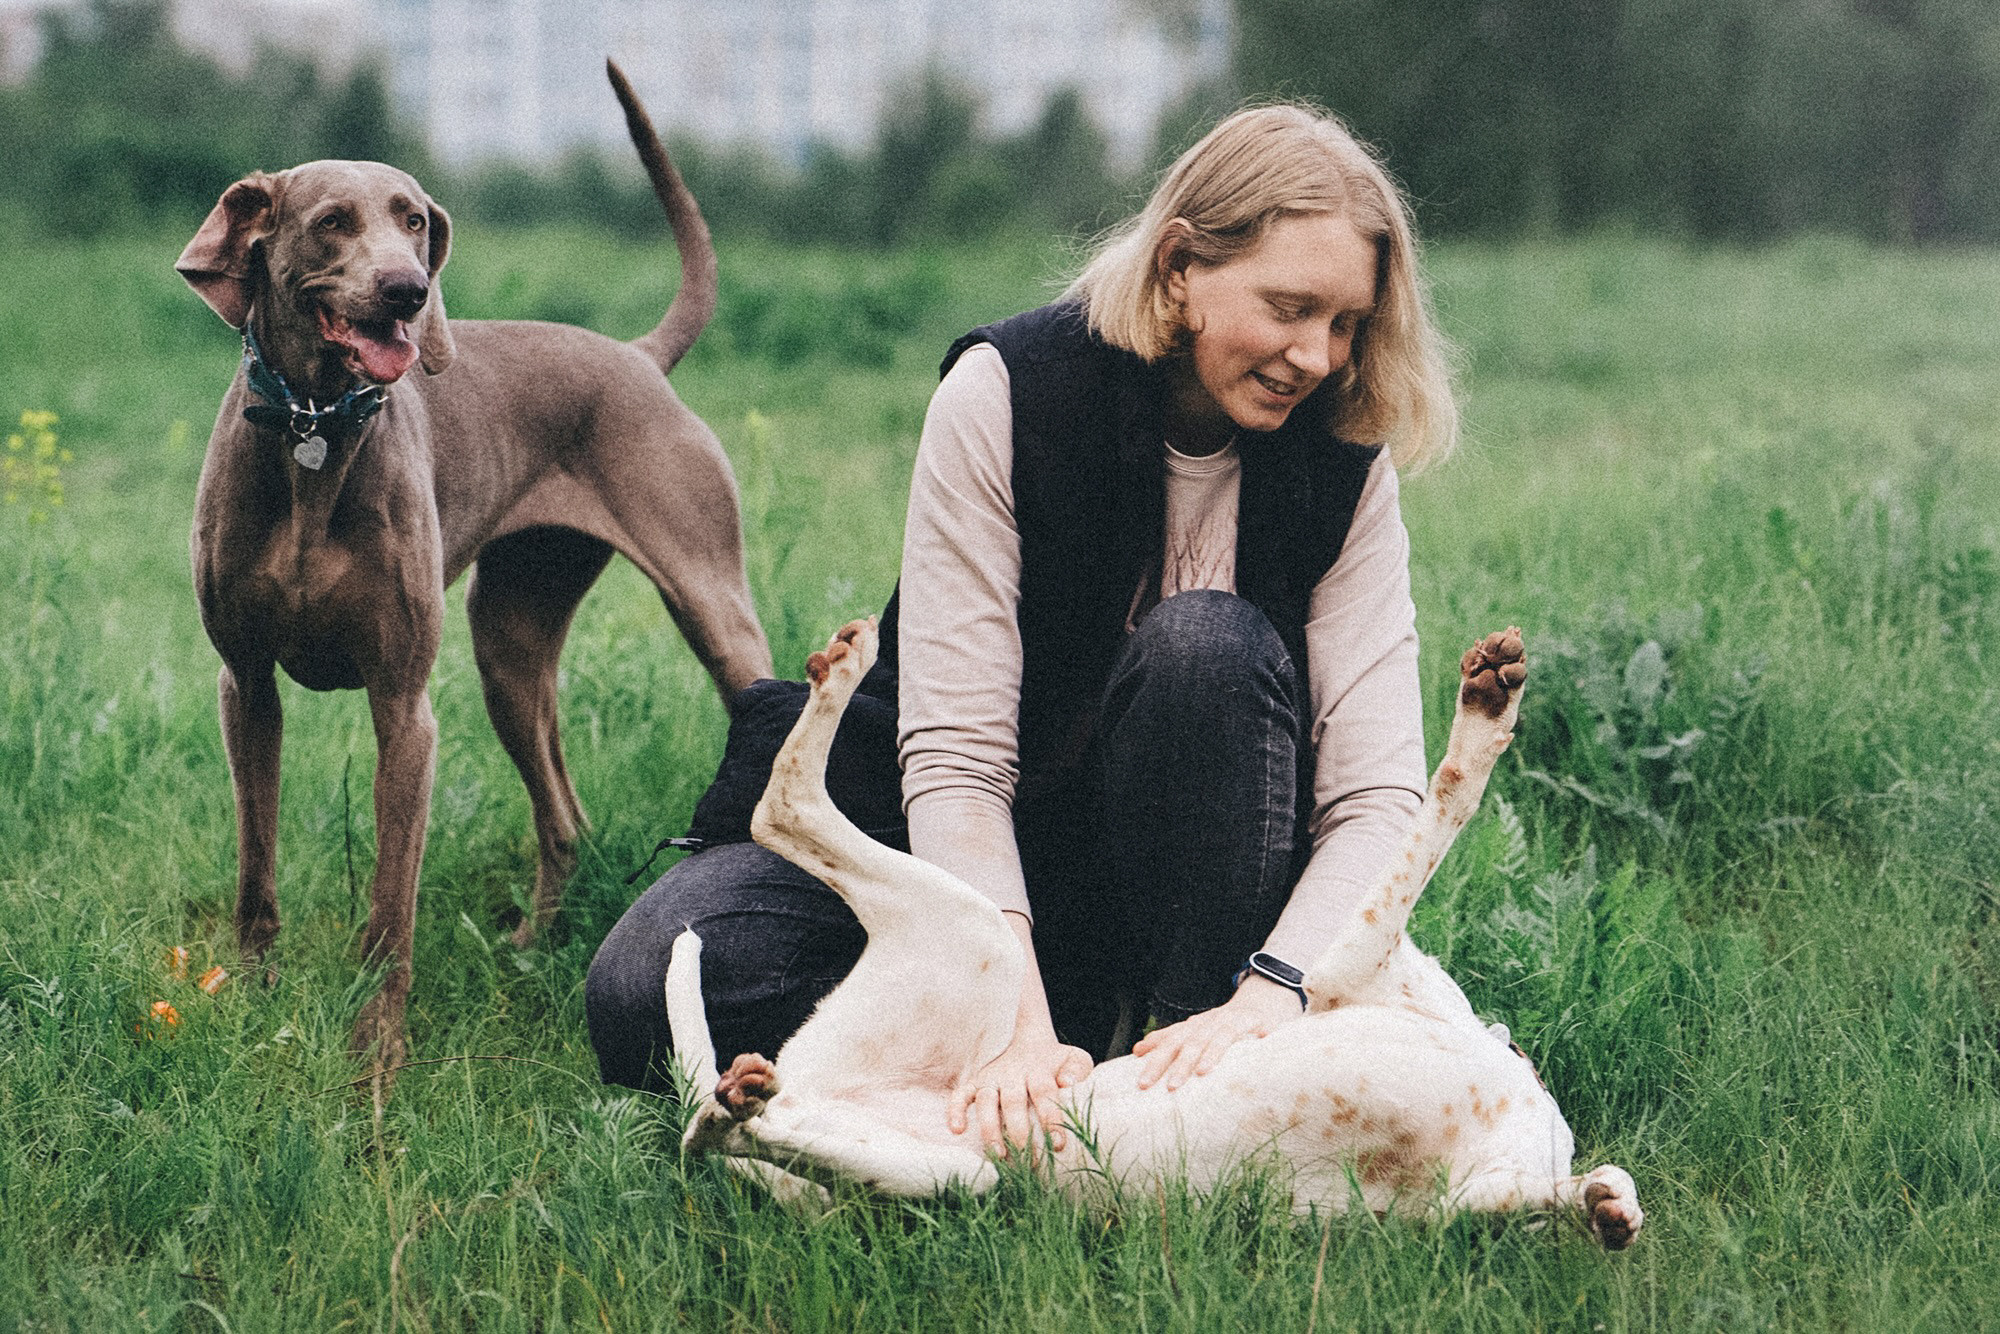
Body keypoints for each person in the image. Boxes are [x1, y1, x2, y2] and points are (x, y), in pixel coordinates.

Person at [584, 102, 1458, 1160]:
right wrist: (1003, 1013)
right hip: (951, 856)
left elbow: (1374, 800)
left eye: (1347, 322)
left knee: (1202, 649)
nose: (1317, 355)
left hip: (1192, 884)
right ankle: (1048, 1046)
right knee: (646, 982)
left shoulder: (1344, 464)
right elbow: (954, 759)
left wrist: (1270, 993)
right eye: (1290, 307)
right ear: (1180, 265)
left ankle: (1183, 1070)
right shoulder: (1003, 392)